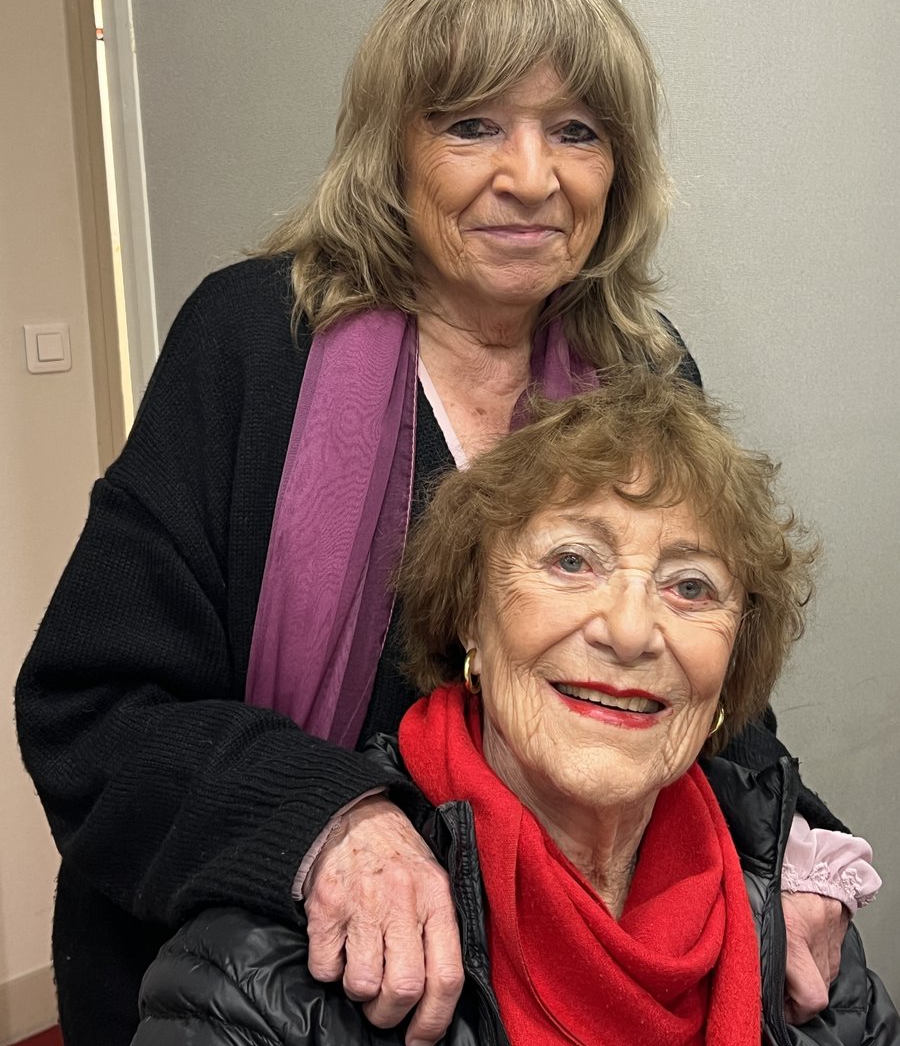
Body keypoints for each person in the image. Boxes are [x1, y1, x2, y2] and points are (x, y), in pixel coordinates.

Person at [15, 0, 877, 1046]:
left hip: (564, 983)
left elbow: (690, 667)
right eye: (472, 124)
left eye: (577, 130)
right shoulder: (252, 346)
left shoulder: (646, 372)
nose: (530, 176)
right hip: (274, 989)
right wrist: (329, 825)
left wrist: (796, 846)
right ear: (394, 151)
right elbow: (93, 712)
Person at [131, 372, 897, 1045]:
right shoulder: (275, 973)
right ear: (471, 611)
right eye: (571, 561)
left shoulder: (799, 921)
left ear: (732, 662)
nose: (630, 632)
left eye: (690, 586)